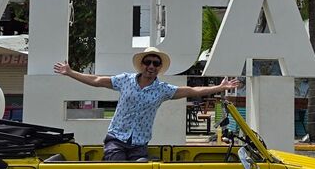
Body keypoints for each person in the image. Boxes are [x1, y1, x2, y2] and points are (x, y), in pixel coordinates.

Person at [53, 47, 240, 161]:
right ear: (142, 64)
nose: (151, 66)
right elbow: (97, 80)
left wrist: (220, 87)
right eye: (148, 62)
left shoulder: (163, 89)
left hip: (139, 145)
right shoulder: (124, 80)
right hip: (116, 139)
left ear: (159, 68)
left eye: (156, 63)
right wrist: (70, 72)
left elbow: (192, 90)